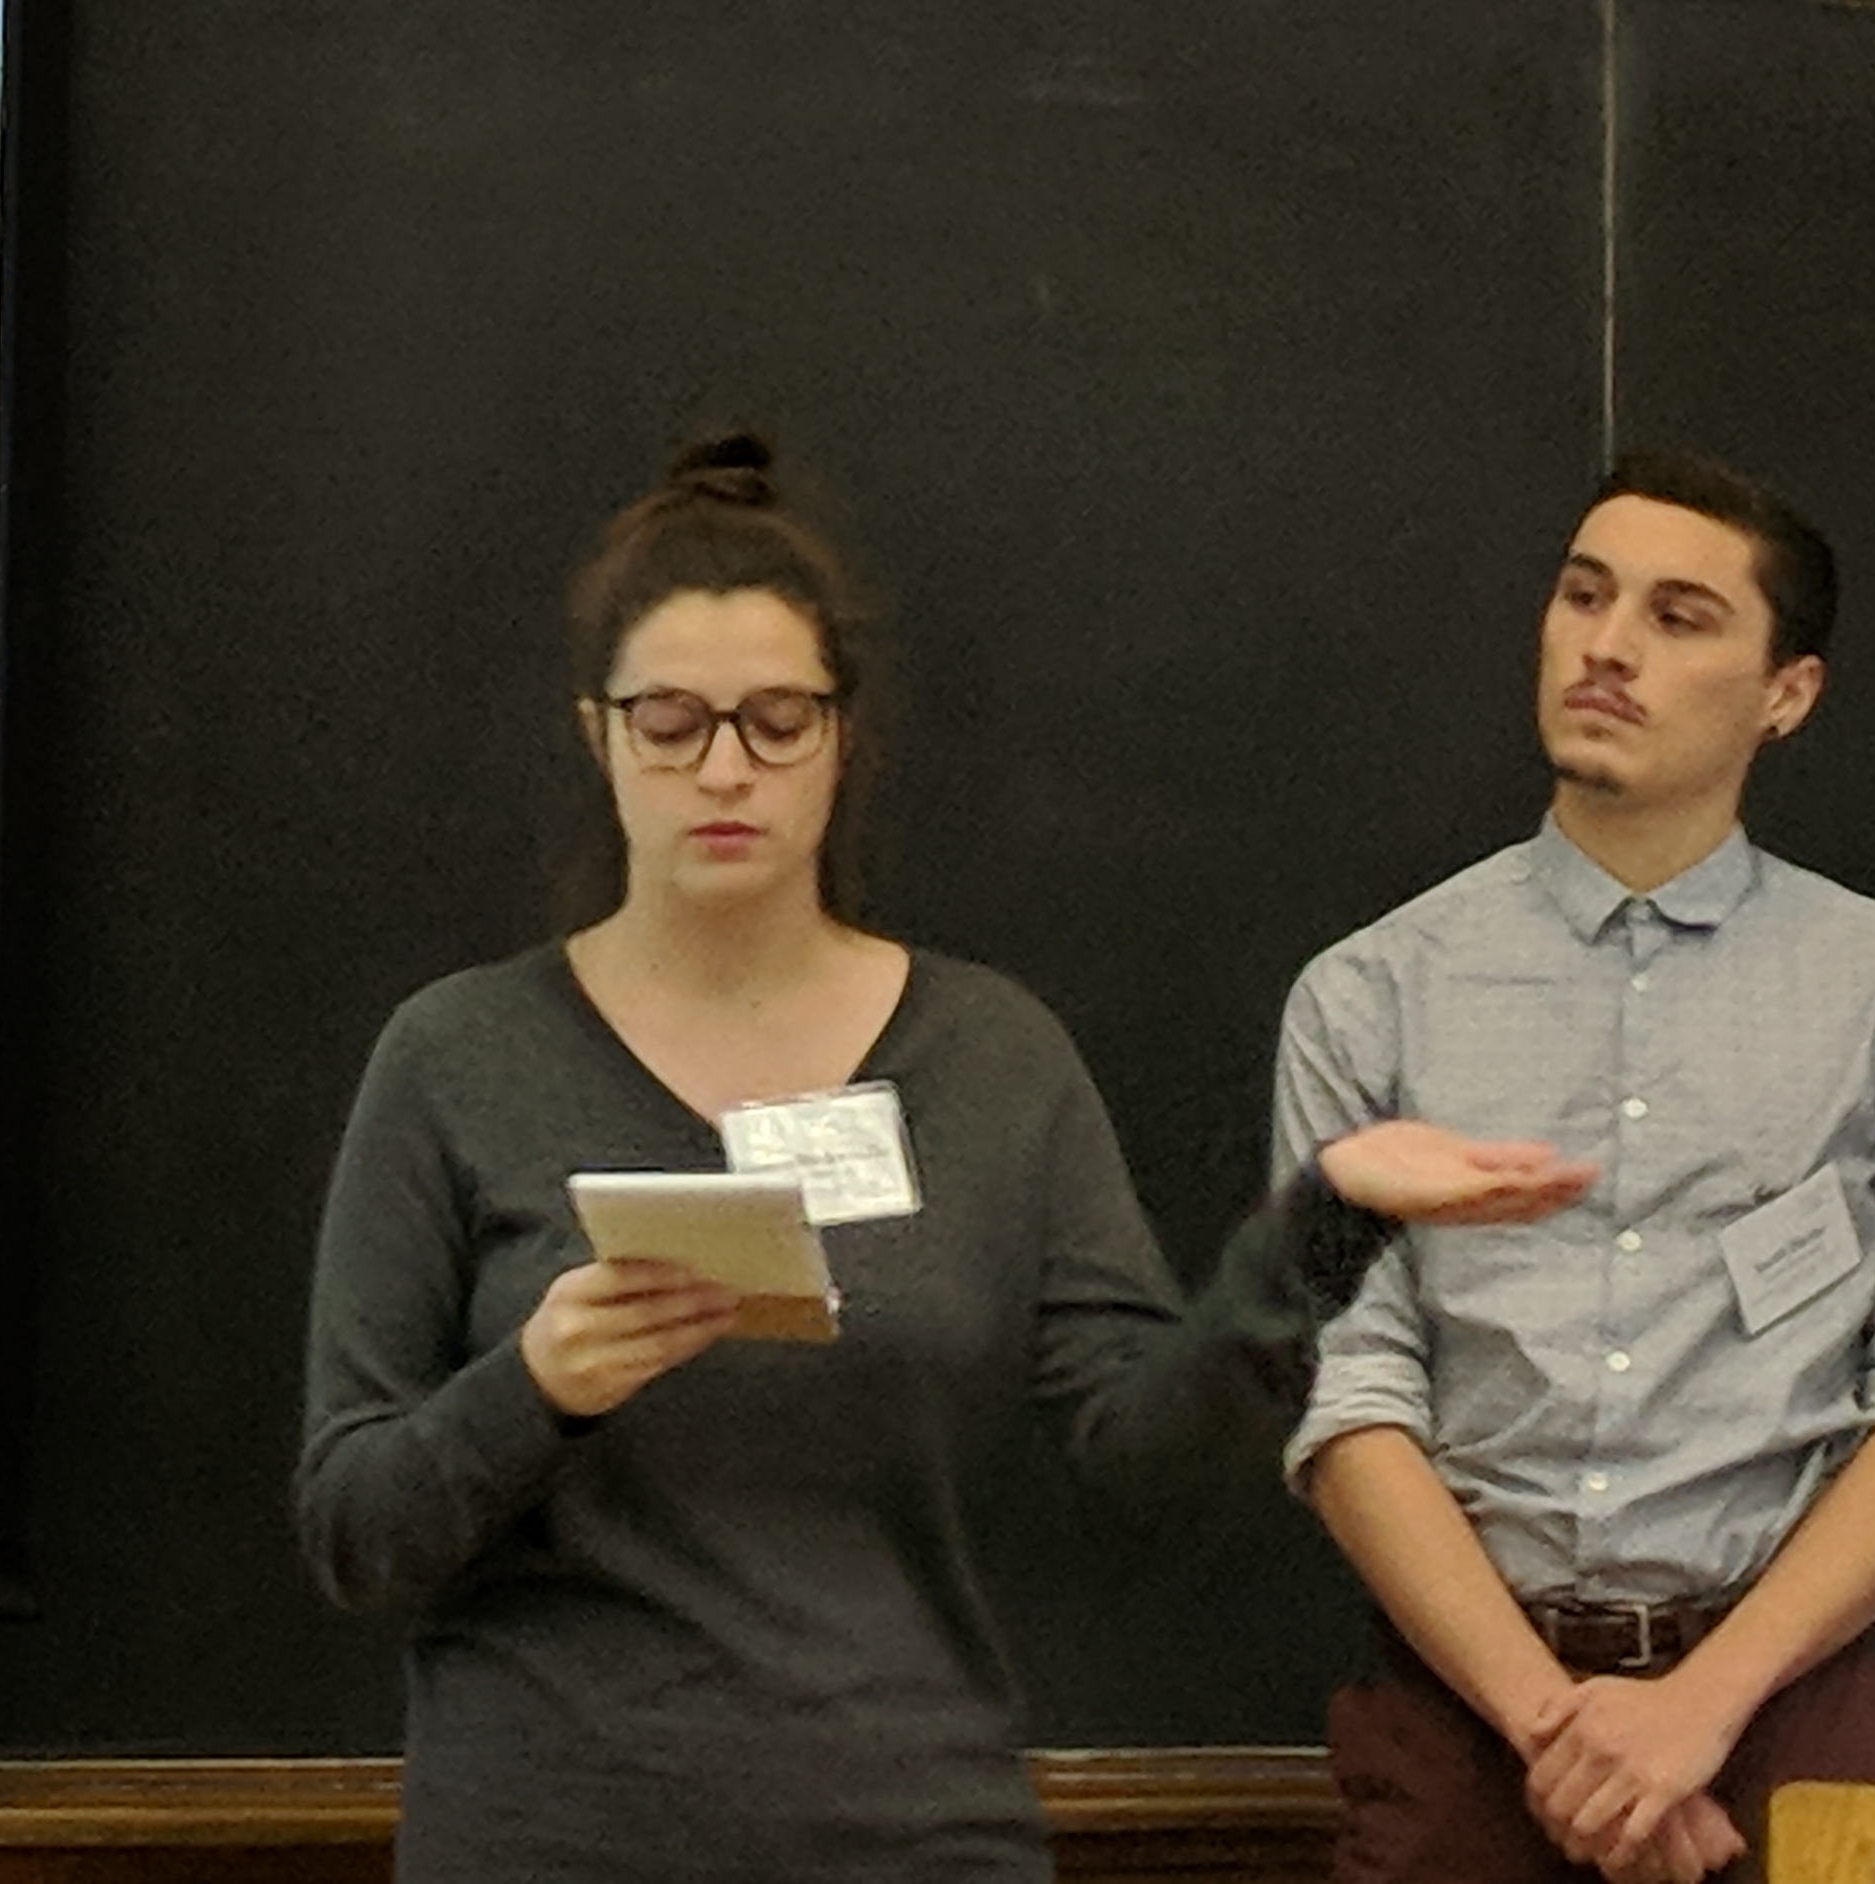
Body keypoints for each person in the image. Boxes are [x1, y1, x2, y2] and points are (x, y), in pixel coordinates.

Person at [296, 435, 1593, 1882]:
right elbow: (355, 1528)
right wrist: (534, 1387)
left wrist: (1328, 1229)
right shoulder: (456, 1055)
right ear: (598, 735)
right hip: (551, 1842)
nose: (726, 768)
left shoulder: (989, 1055)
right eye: (671, 721)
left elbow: (1136, 1464)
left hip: (911, 1839)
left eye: (777, 719)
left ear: (843, 737)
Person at [1271, 450, 1875, 1884]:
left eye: (1680, 618)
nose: (1607, 646)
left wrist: (1701, 1705)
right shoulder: (1369, 993)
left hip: (1786, 1705)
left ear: (1785, 693)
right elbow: (1347, 1394)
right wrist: (1566, 1734)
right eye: (1583, 596)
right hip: (1468, 1718)